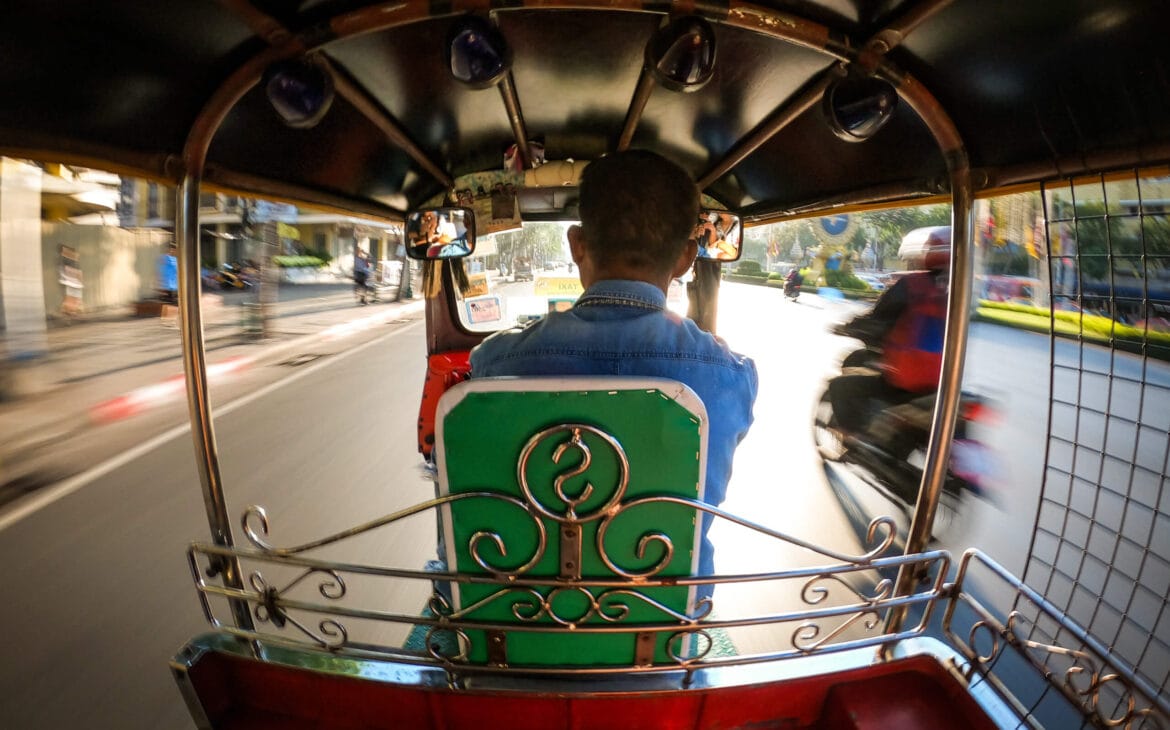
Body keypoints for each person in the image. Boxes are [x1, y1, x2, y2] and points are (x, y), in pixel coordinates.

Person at [471, 150, 759, 591]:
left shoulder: (494, 364)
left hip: (507, 627)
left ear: (577, 244)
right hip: (664, 635)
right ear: (686, 257)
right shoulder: (730, 376)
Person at [827, 244, 949, 435]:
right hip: (942, 382)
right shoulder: (956, 292)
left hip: (904, 379)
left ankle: (853, 436)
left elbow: (876, 319)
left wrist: (848, 327)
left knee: (839, 386)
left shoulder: (912, 285)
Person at [58, 245, 84, 319]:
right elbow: (66, 270)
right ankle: (68, 311)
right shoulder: (66, 261)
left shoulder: (71, 261)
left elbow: (77, 272)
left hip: (73, 281)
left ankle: (69, 311)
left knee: (73, 297)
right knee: (72, 297)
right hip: (71, 281)